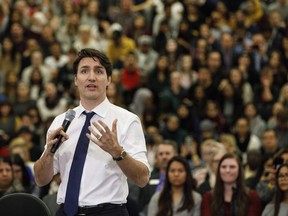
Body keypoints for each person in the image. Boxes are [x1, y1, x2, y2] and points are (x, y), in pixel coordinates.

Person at [33, 48, 150, 216]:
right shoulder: (61, 121)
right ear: (75, 79)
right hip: (65, 211)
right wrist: (49, 154)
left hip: (108, 212)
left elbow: (142, 179)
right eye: (84, 71)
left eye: (99, 71)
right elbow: (40, 179)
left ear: (109, 79)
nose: (91, 77)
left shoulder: (127, 120)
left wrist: (117, 151)